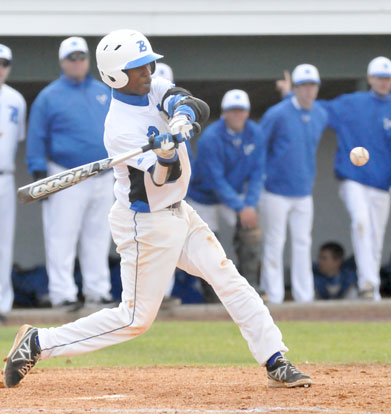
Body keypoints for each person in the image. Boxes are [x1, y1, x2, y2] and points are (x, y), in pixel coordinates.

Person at [4, 29, 311, 389]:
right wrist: (164, 154)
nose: (148, 71)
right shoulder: (119, 129)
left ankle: (275, 358)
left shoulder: (153, 84)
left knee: (229, 279)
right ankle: (39, 342)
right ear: (117, 76)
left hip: (181, 212)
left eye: (148, 64)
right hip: (145, 224)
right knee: (135, 319)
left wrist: (180, 118)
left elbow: (191, 103)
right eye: (139, 68)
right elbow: (166, 175)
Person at [277, 56, 391, 301]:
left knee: (376, 236)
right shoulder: (352, 103)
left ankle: (370, 287)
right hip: (354, 179)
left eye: (387, 78)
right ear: (370, 79)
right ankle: (368, 285)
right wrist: (290, 96)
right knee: (361, 222)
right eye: (380, 78)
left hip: (382, 183)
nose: (384, 82)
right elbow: (316, 109)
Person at [26, 37, 113, 309]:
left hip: (103, 172)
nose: (78, 63)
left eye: (81, 57)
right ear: (63, 62)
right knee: (62, 235)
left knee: (99, 235)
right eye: (72, 58)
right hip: (66, 174)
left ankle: (97, 290)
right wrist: (38, 171)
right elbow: (36, 135)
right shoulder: (49, 96)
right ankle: (62, 293)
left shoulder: (104, 91)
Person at [259, 64, 328, 304]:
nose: (308, 91)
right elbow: (260, 148)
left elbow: (302, 111)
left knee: (302, 243)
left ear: (317, 88)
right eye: (303, 86)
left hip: (303, 191)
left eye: (312, 86)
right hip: (275, 191)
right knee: (274, 243)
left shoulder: (320, 113)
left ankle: (304, 297)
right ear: (296, 88)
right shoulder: (276, 114)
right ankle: (274, 297)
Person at [188, 90, 264, 301]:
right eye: (232, 111)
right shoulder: (210, 138)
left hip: (233, 196)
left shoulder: (255, 133)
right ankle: (213, 298)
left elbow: (258, 173)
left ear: (247, 112)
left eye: (241, 111)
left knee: (252, 229)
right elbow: (215, 180)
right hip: (204, 196)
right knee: (207, 245)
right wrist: (241, 207)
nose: (237, 115)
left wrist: (249, 205)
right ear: (224, 113)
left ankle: (250, 290)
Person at [0, 44, 26, 323]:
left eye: (4, 63)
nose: (0, 68)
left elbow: (17, 139)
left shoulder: (15, 99)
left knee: (3, 243)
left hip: (4, 176)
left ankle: (1, 305)